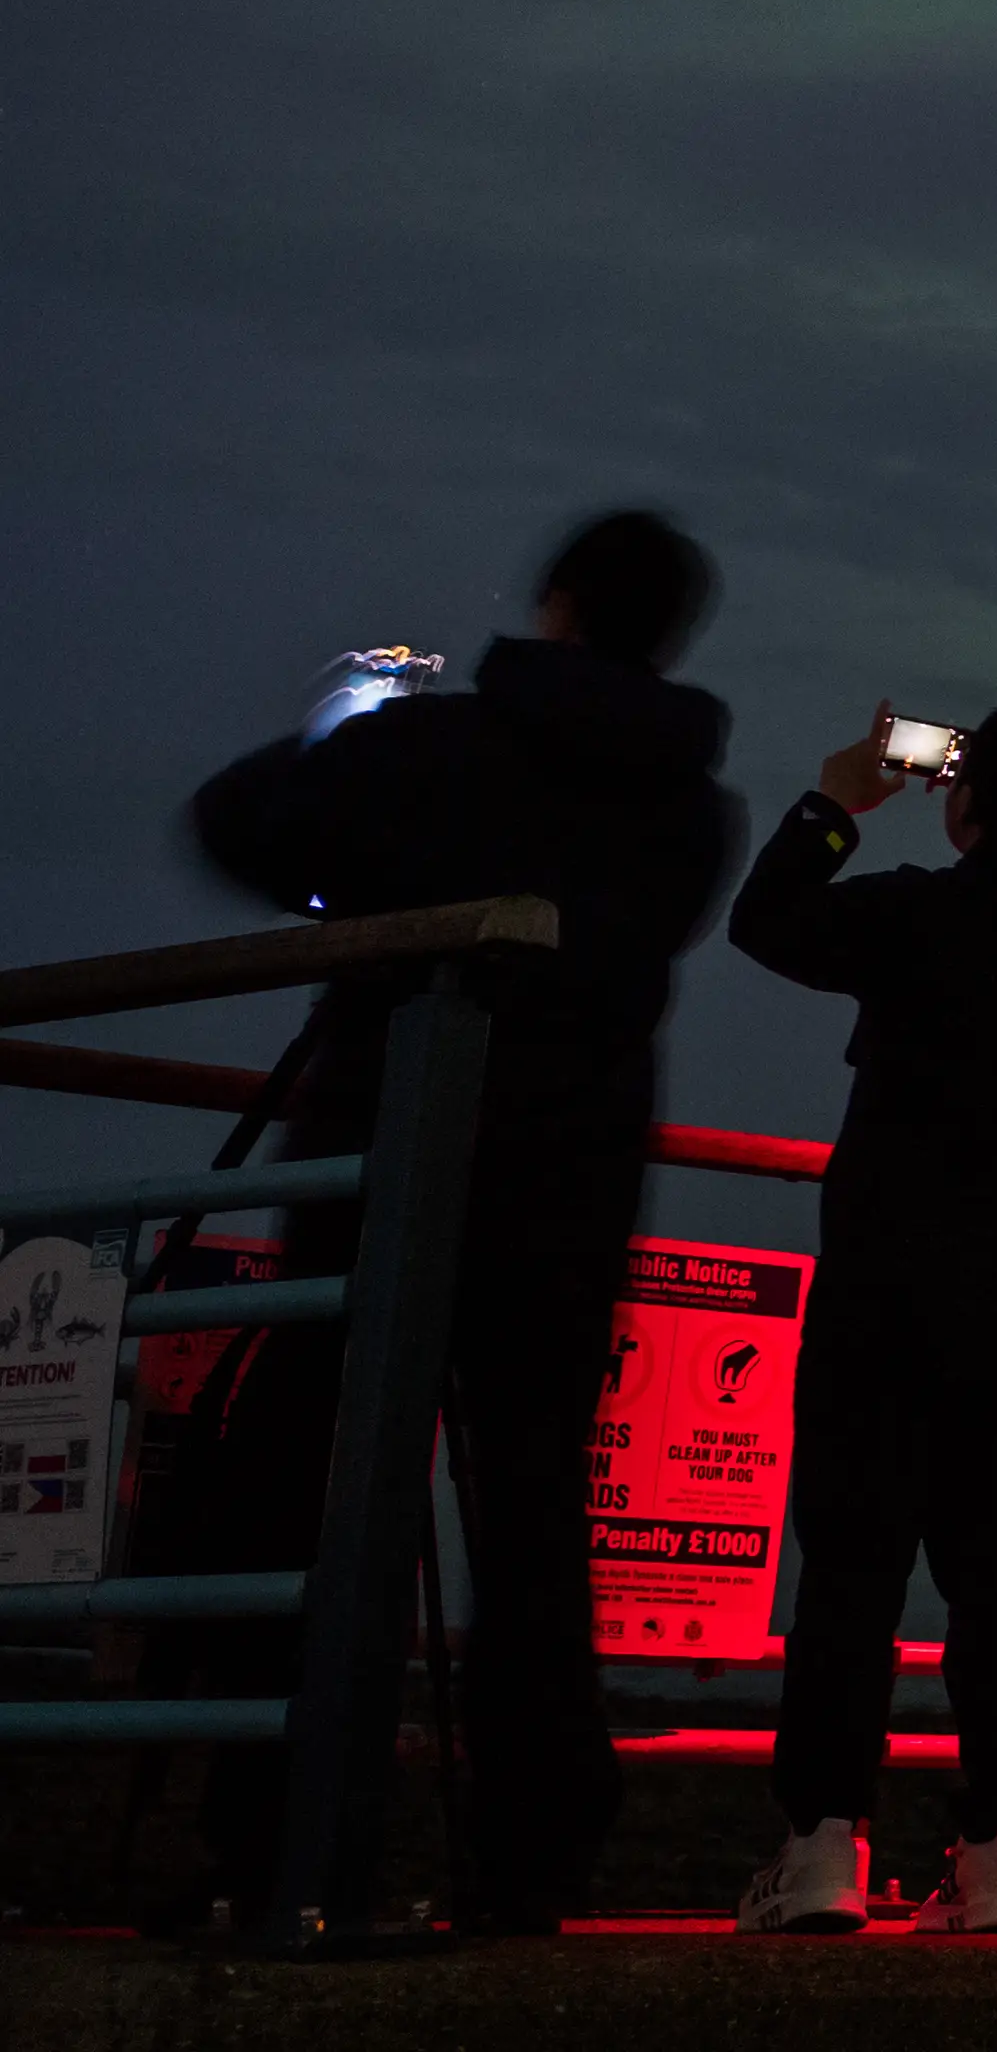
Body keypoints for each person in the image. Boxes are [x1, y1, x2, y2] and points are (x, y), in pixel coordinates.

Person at [185, 509, 742, 1932]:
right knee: (534, 1521)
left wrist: (357, 780)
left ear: (557, 599)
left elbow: (238, 816)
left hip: (390, 1161)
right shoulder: (694, 809)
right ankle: (529, 1861)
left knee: (303, 1489)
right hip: (570, 1192)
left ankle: (279, 1844)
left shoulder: (430, 746)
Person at [726, 703, 997, 1937]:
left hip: (885, 1283)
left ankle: (819, 1852)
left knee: (852, 1566)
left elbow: (768, 922)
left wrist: (834, 805)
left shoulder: (925, 910)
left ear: (974, 802)